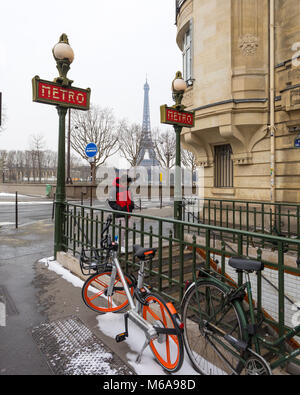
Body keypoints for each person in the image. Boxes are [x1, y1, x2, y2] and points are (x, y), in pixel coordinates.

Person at [108, 174, 135, 251]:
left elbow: (131, 199)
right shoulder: (114, 189)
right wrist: (119, 208)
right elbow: (111, 202)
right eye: (127, 183)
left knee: (129, 227)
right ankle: (121, 246)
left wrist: (132, 205)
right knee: (122, 230)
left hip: (128, 213)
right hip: (120, 213)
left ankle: (117, 239)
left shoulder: (128, 189)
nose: (128, 184)